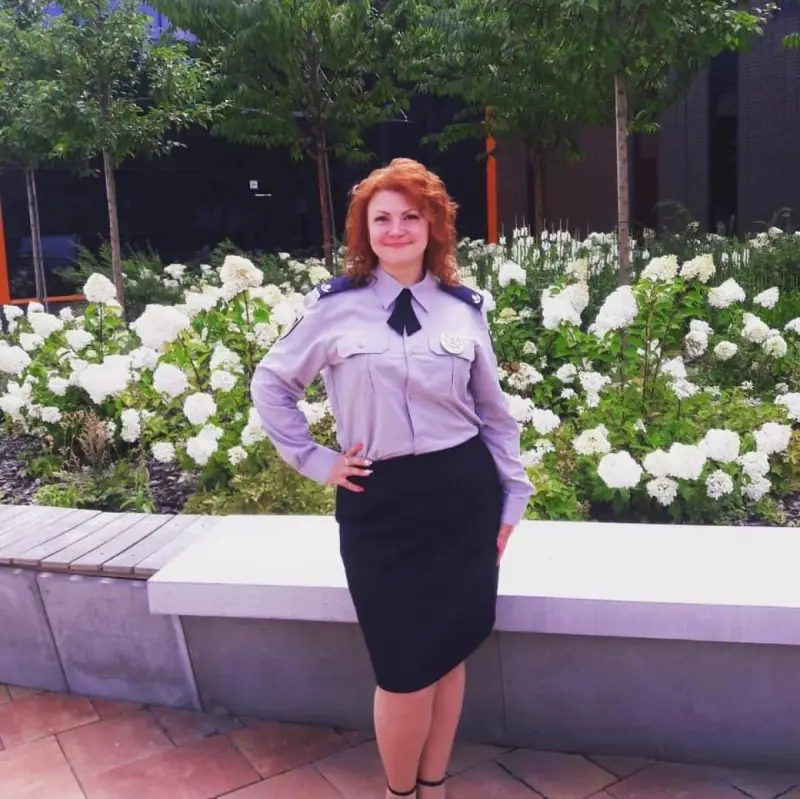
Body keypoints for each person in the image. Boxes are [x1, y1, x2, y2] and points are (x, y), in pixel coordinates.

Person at [250, 157, 533, 798]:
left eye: (411, 216)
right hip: (379, 503)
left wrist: (512, 498)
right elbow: (271, 384)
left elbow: (493, 412)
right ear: (365, 230)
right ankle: (399, 794)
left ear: (433, 225)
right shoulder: (333, 309)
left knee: (449, 652)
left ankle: (434, 787)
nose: (397, 229)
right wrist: (317, 461)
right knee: (403, 669)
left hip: (462, 497)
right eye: (382, 218)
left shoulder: (463, 310)